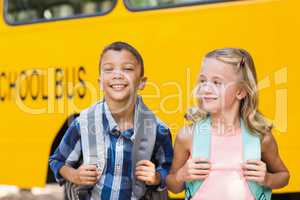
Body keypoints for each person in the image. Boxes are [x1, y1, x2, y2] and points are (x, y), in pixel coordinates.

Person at [49, 41, 173, 200]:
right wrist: (74, 175)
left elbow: (169, 171)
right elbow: (57, 161)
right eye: (109, 69)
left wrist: (156, 177)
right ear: (100, 82)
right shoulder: (83, 123)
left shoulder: (158, 130)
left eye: (127, 69)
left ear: (142, 82)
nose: (117, 74)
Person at [166, 48, 290, 200]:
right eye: (203, 81)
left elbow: (284, 176)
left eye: (217, 82)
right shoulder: (188, 136)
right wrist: (181, 175)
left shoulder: (261, 138)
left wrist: (267, 179)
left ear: (241, 92)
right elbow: (172, 185)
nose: (206, 88)